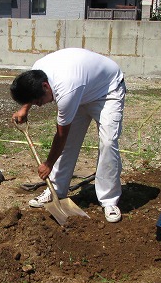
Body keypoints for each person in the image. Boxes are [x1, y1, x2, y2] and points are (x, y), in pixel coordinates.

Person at [10, 48, 125, 223]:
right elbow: (31, 93)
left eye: (39, 101)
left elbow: (61, 135)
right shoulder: (37, 71)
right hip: (82, 88)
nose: (40, 106)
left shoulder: (67, 90)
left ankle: (109, 200)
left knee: (108, 142)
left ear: (46, 86)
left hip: (106, 91)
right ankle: (55, 190)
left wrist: (48, 164)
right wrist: (25, 108)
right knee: (69, 145)